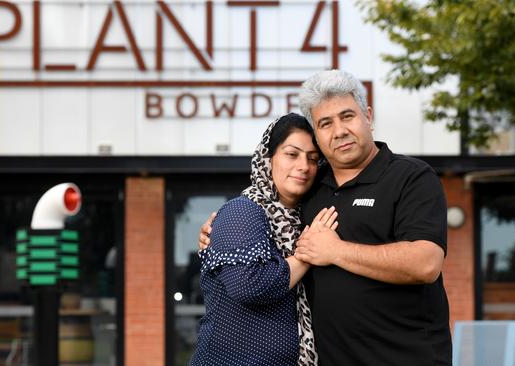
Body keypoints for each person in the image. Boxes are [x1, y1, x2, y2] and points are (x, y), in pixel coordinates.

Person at [200, 70, 452, 365]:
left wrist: (335, 251)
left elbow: (425, 264)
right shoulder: (310, 187)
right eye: (325, 123)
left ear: (367, 117)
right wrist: (217, 228)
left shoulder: (411, 177)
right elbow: (265, 214)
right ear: (317, 135)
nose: (340, 131)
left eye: (348, 116)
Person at [190, 113, 337, 366]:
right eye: (292, 154)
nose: (304, 166)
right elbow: (249, 284)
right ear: (267, 159)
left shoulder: (303, 219)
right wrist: (308, 252)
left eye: (313, 159)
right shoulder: (242, 211)